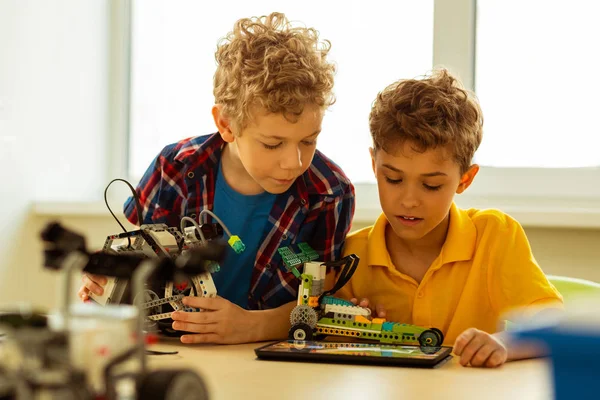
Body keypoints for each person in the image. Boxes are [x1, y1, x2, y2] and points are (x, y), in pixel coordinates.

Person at [78, 12, 355, 344]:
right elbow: (139, 257)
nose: (294, 163)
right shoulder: (174, 169)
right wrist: (106, 275)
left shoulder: (329, 193)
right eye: (272, 144)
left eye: (309, 141)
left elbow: (320, 302)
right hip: (172, 350)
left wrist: (255, 326)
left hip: (268, 362)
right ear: (226, 124)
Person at [332, 68, 562, 367]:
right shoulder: (351, 257)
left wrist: (502, 343)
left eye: (431, 185)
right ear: (374, 165)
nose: (409, 200)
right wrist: (353, 330)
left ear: (465, 180)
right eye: (393, 179)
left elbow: (552, 321)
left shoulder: (495, 235)